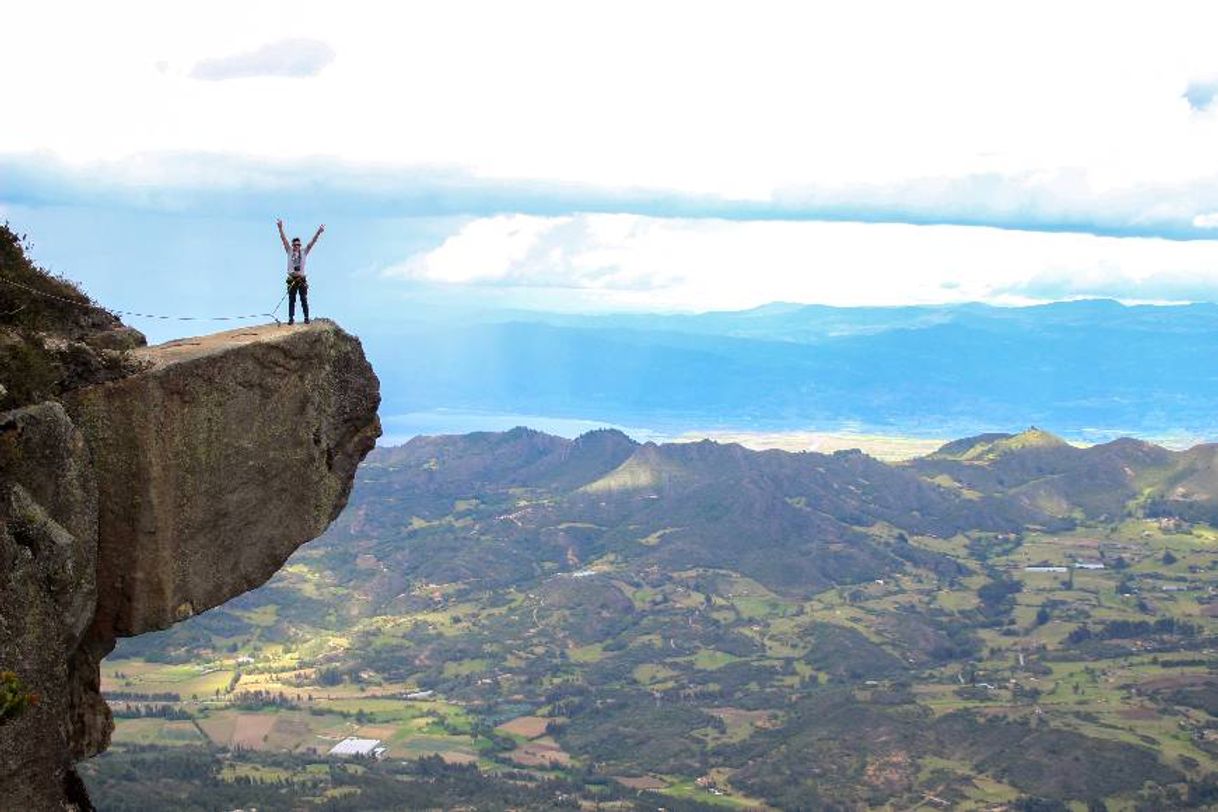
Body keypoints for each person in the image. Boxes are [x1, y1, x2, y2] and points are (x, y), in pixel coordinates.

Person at [277, 219, 325, 325]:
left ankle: (306, 317)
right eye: (294, 245)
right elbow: (283, 240)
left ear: (300, 245)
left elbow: (312, 243)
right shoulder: (289, 251)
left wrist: (319, 232)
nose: (296, 246)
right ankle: (291, 319)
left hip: (301, 278)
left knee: (303, 299)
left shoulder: (304, 252)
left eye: (298, 245)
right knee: (291, 300)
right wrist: (280, 228)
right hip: (292, 278)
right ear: (292, 245)